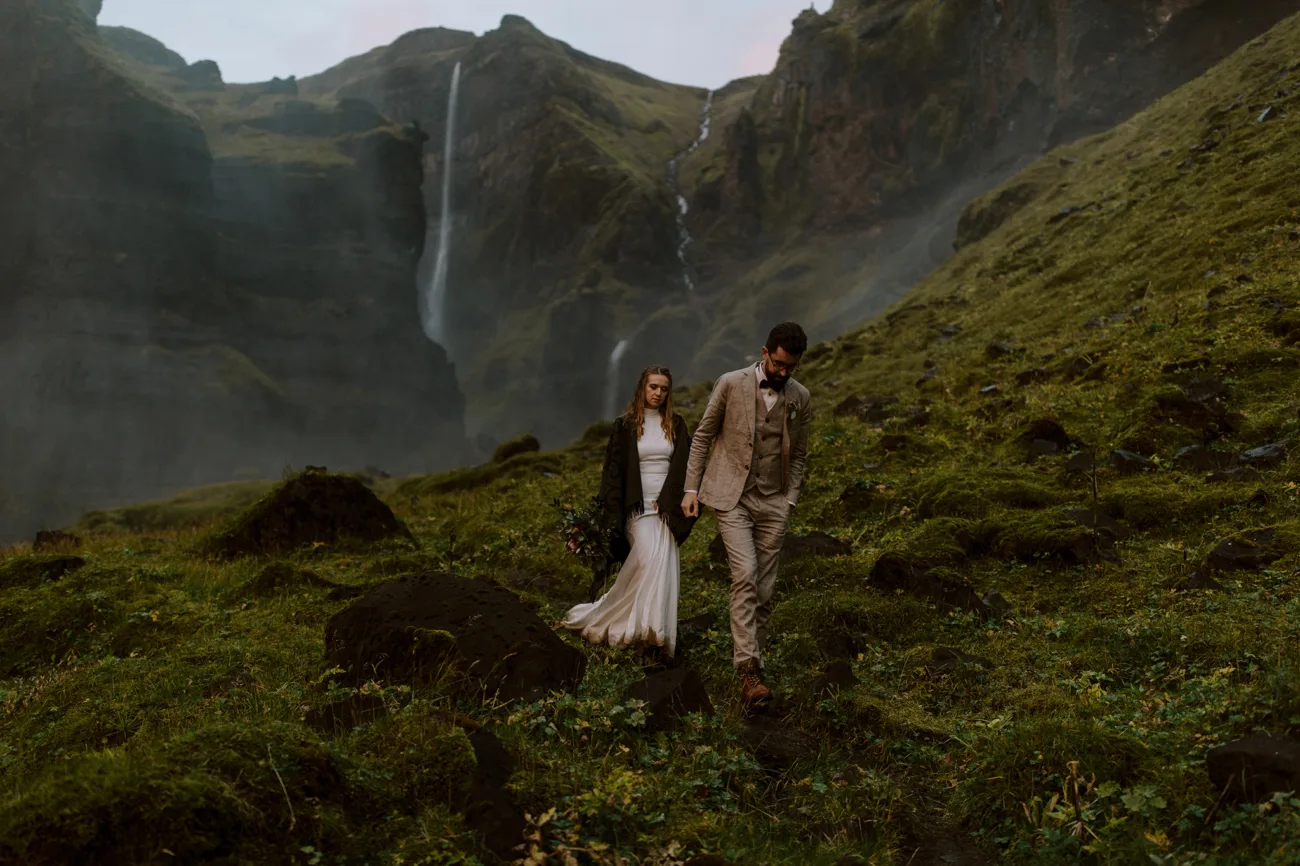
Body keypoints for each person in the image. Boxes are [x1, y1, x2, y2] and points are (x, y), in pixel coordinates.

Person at [682, 323, 812, 710]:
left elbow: (801, 453)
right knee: (745, 575)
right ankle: (748, 670)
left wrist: (789, 498)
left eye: (792, 368)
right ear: (765, 352)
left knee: (766, 590)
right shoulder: (730, 383)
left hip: (774, 501)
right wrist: (691, 489)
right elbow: (703, 435)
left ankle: (755, 657)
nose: (784, 374)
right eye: (779, 365)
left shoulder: (800, 397)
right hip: (732, 497)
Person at [563, 366, 697, 662]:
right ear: (642, 388)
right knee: (650, 558)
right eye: (653, 387)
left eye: (664, 389)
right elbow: (612, 472)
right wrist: (607, 513)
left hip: (665, 509)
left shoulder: (675, 424)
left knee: (661, 564)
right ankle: (632, 625)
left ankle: (653, 635)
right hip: (637, 509)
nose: (658, 393)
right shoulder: (624, 426)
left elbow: (687, 465)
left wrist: (676, 500)